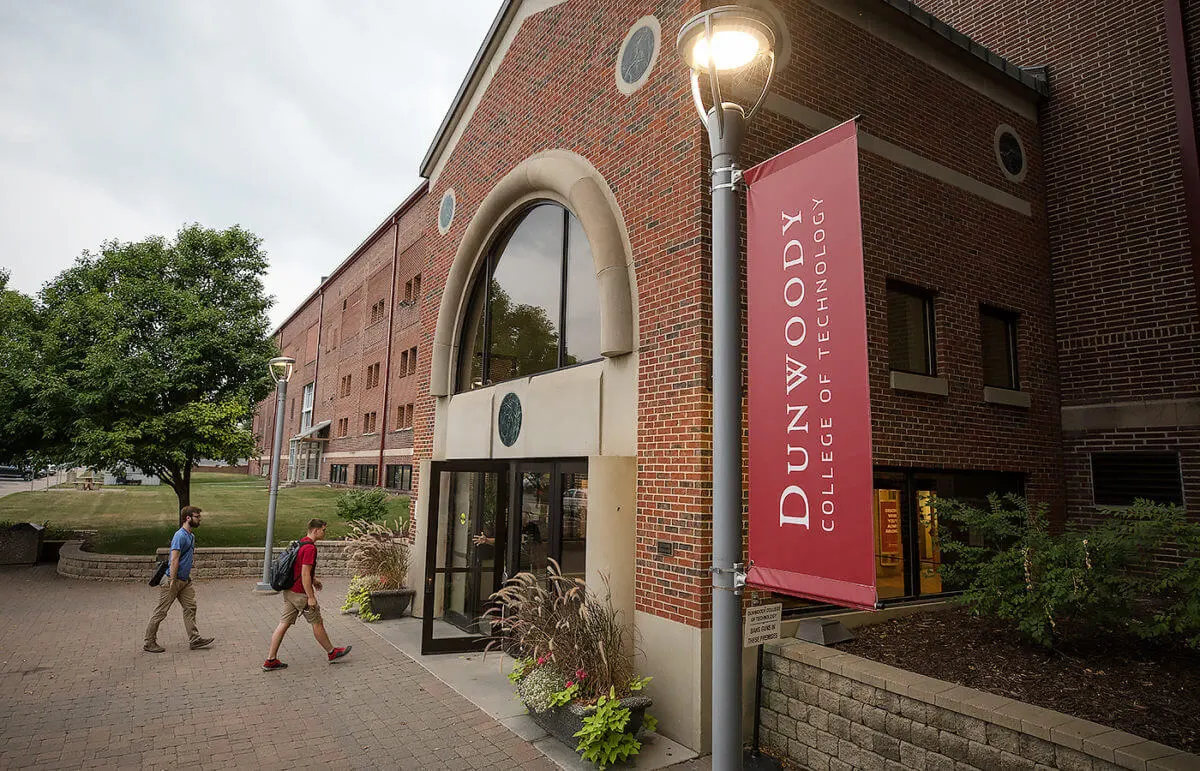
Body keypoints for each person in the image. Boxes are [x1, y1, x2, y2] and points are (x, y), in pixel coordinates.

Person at [262, 518, 351, 671]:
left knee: (283, 624)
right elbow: (304, 574)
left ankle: (270, 660)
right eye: (323, 529)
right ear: (315, 530)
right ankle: (331, 652)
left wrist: (314, 579)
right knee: (317, 622)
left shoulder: (300, 543)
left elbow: (299, 568)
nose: (325, 532)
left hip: (290, 591)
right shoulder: (310, 548)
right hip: (300, 594)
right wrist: (310, 597)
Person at [143, 506, 215, 653]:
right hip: (172, 580)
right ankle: (149, 642)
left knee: (190, 608)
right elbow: (174, 559)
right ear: (188, 518)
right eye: (197, 516)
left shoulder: (191, 536)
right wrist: (173, 580)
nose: (199, 519)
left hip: (185, 581)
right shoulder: (179, 536)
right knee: (161, 611)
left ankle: (194, 640)